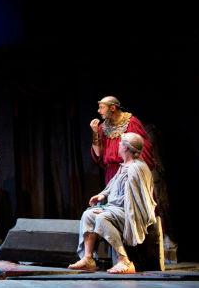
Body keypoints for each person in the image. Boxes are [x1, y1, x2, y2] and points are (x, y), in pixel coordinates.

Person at [69, 132, 157, 274]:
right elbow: (113, 185)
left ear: (126, 148)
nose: (119, 145)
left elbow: (138, 199)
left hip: (130, 212)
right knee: (88, 215)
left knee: (101, 217)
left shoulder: (137, 168)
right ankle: (88, 259)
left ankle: (124, 260)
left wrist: (111, 208)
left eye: (121, 143)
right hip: (115, 209)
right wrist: (101, 195)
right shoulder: (124, 166)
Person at [90, 96, 154, 184]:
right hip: (112, 174)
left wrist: (137, 171)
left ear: (112, 108)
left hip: (131, 172)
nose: (98, 111)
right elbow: (98, 154)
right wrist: (95, 132)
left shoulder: (131, 122)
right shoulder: (102, 128)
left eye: (102, 107)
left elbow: (143, 149)